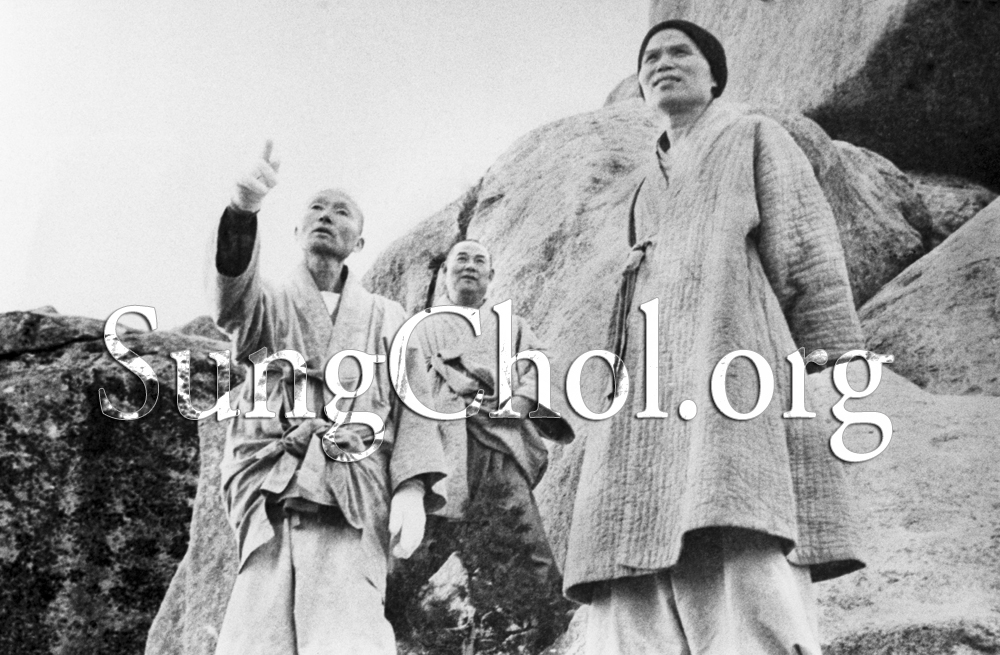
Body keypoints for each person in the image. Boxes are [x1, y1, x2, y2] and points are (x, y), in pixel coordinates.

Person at [563, 20, 866, 655]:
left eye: (680, 52)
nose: (662, 63)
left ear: (714, 76)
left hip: (732, 357)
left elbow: (804, 242)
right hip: (648, 385)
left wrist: (830, 362)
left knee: (738, 518)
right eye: (650, 57)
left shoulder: (753, 135)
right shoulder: (641, 186)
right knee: (632, 543)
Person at [210, 141, 448, 655]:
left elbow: (413, 402)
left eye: (341, 211)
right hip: (273, 484)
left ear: (359, 242)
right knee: (258, 636)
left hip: (354, 492)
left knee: (349, 633)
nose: (325, 215)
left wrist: (411, 490)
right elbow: (231, 302)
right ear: (296, 233)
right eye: (316, 208)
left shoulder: (388, 317)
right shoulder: (270, 303)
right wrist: (242, 209)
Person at [410, 239, 575, 585]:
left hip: (498, 445)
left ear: (491, 275)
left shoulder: (510, 325)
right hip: (441, 448)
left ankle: (549, 607)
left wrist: (523, 400)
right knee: (418, 546)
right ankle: (384, 609)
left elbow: (541, 364)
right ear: (444, 271)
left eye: (478, 260)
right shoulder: (419, 328)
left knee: (526, 541)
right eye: (462, 259)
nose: (470, 266)